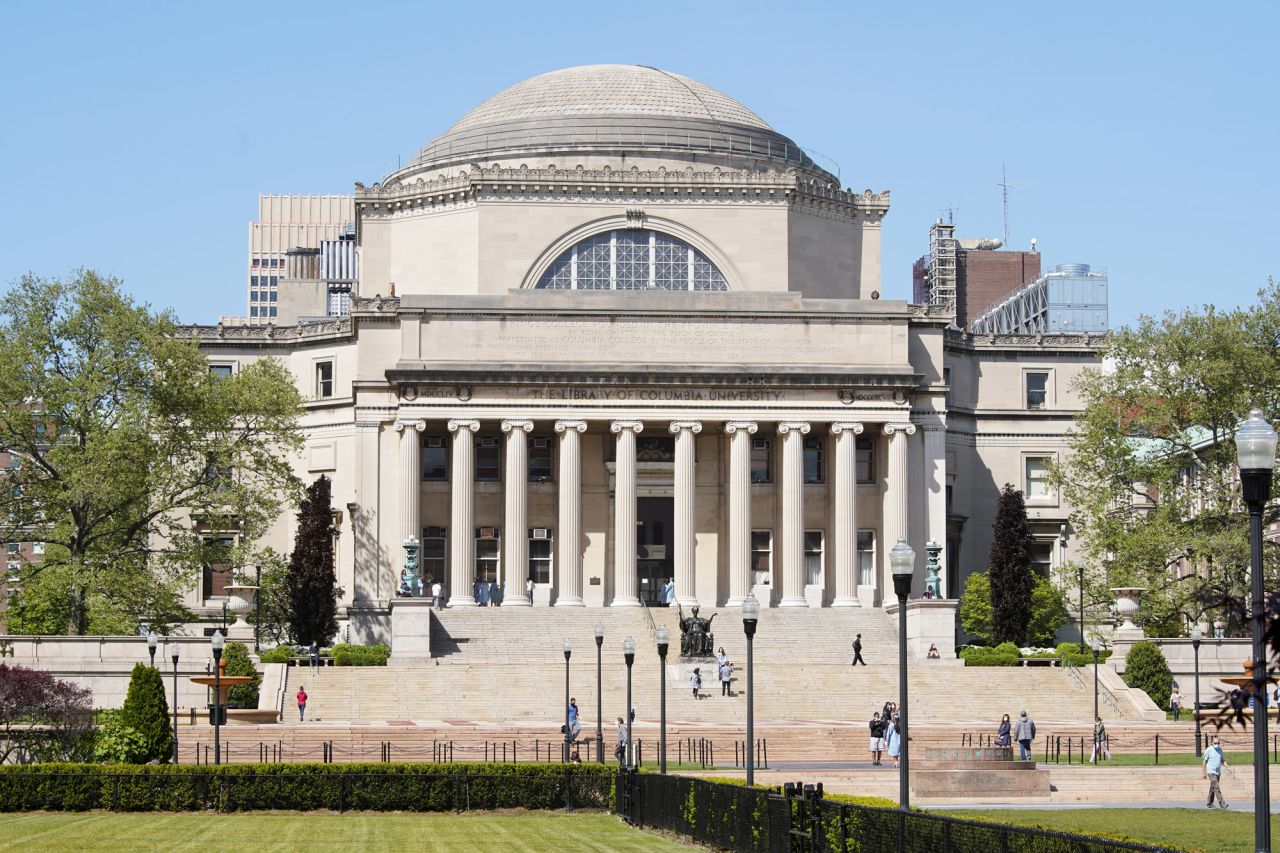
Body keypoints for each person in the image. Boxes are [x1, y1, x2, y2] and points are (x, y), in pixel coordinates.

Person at [1202, 735, 1228, 808]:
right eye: (1215, 743)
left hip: (1217, 772)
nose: (1217, 744)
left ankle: (1209, 803)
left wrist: (1228, 768)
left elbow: (1223, 760)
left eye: (1218, 743)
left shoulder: (1220, 750)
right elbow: (1204, 761)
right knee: (1217, 787)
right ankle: (1222, 804)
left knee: (1213, 788)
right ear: (1212, 743)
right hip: (1211, 772)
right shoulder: (1209, 750)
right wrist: (1204, 773)